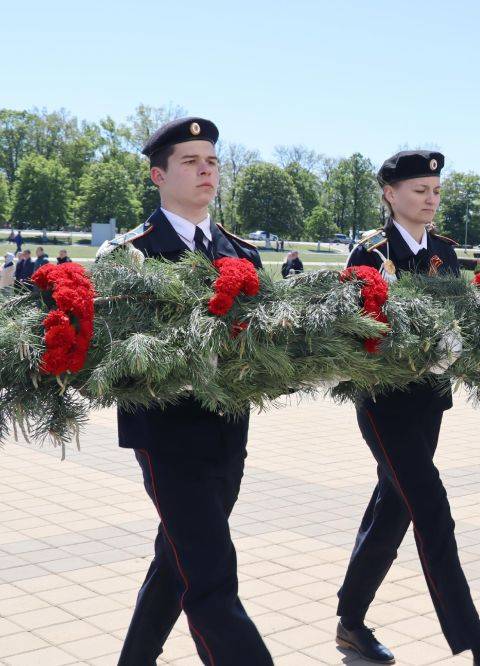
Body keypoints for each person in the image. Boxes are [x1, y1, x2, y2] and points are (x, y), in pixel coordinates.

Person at [97, 117, 273, 666]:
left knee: (178, 559)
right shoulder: (129, 257)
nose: (206, 171)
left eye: (213, 161)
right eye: (191, 161)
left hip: (229, 431)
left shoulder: (242, 253)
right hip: (167, 435)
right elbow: (115, 358)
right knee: (211, 576)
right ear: (158, 175)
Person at [336, 150, 480, 666]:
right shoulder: (369, 254)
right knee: (431, 510)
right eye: (419, 190)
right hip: (384, 405)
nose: (431, 200)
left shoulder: (444, 251)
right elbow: (355, 332)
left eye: (435, 191)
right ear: (390, 194)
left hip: (430, 401)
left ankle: (350, 620)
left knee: (393, 509)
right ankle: (478, 644)